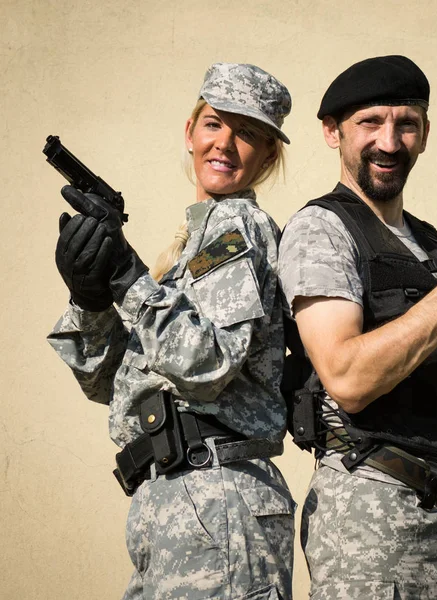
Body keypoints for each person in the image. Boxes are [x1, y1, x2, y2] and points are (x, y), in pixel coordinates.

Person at [279, 55, 437, 599]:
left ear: (424, 135)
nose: (390, 142)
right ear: (333, 133)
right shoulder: (321, 229)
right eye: (370, 123)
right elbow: (346, 377)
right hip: (374, 535)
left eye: (406, 124)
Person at [48, 62, 295, 600]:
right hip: (171, 500)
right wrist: (91, 299)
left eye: (247, 131)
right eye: (213, 124)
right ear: (190, 133)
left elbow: (208, 364)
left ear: (268, 155)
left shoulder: (239, 228)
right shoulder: (186, 250)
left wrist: (125, 277)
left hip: (215, 496)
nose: (225, 143)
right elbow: (108, 385)